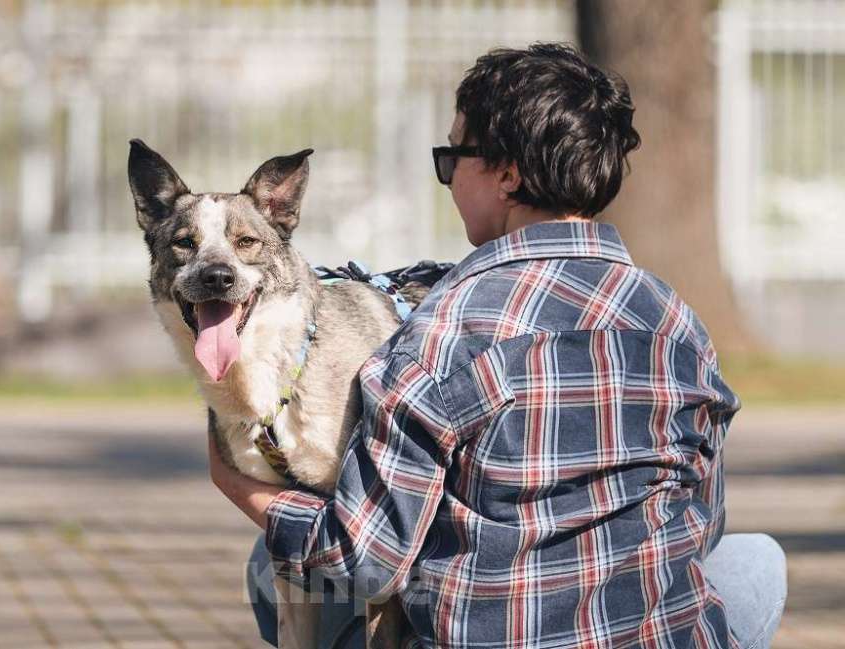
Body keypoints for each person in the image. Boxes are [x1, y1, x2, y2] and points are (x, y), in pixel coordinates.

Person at [210, 42, 787, 649]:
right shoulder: (675, 323)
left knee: (270, 560)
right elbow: (703, 522)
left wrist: (238, 482)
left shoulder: (438, 333)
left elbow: (366, 561)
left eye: (451, 158)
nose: (447, 179)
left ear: (507, 175)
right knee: (756, 559)